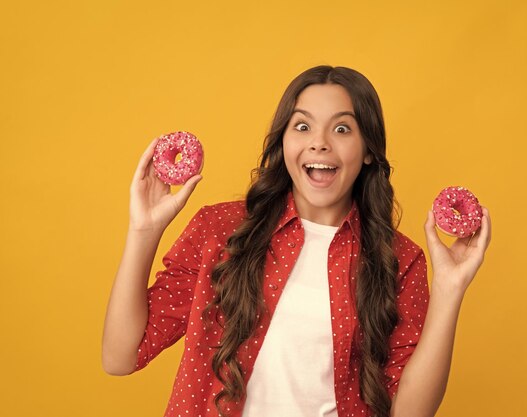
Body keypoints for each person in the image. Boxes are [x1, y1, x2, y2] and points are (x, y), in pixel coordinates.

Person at [102, 65, 492, 417]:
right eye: (302, 126)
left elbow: (409, 413)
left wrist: (449, 290)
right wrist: (144, 231)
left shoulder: (399, 259)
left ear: (369, 150)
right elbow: (120, 356)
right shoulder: (219, 230)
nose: (319, 142)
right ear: (284, 141)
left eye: (342, 128)